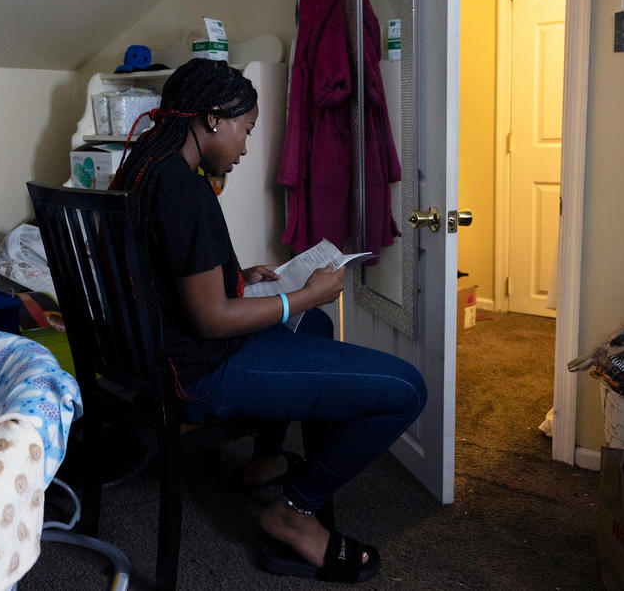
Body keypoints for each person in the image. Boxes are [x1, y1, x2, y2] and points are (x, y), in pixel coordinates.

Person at [109, 58, 427, 583]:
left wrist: (237, 275)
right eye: (247, 130)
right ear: (214, 118)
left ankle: (266, 460)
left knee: (318, 330)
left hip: (156, 355)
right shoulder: (185, 190)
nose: (245, 146)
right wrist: (302, 295)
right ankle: (294, 513)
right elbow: (212, 319)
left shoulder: (145, 172)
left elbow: (169, 273)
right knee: (406, 388)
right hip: (198, 368)